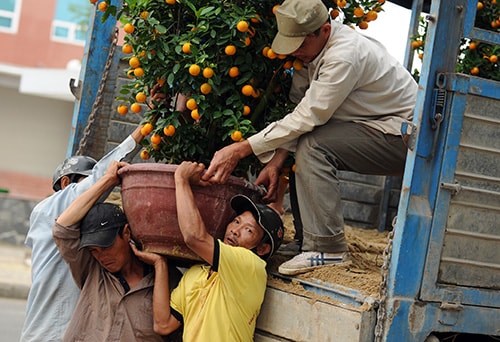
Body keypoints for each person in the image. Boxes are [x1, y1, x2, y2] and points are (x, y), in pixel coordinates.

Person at [201, 0, 418, 276]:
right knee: (309, 142)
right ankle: (309, 241)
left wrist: (242, 149)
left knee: (315, 145)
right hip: (376, 127)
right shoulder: (311, 55)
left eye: (300, 44)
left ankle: (328, 248)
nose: (295, 52)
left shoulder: (344, 55)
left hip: (405, 137)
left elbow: (309, 117)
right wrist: (276, 161)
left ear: (324, 30)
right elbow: (300, 110)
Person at [130, 161, 284, 341]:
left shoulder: (251, 267)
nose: (235, 230)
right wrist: (160, 264)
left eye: (248, 230)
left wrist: (181, 180)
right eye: (236, 221)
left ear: (262, 248)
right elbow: (163, 324)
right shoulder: (197, 274)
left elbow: (194, 237)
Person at [21, 126, 144, 341]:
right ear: (66, 184)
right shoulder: (49, 209)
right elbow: (99, 179)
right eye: (83, 183)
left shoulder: (82, 244)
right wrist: (143, 130)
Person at [53, 161, 181, 341]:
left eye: (106, 246)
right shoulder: (91, 271)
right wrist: (108, 180)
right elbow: (62, 228)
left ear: (126, 232)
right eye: (93, 250)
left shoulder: (170, 282)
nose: (100, 256)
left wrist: (160, 264)